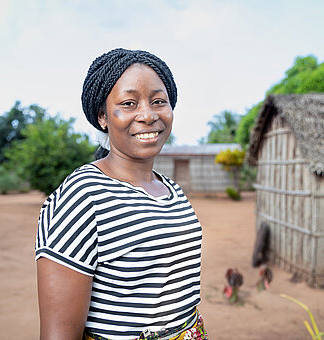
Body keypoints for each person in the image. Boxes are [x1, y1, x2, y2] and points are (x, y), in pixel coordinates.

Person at [35, 48, 208, 340]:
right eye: (129, 103)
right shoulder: (82, 196)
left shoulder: (171, 189)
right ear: (102, 116)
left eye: (158, 102)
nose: (148, 115)